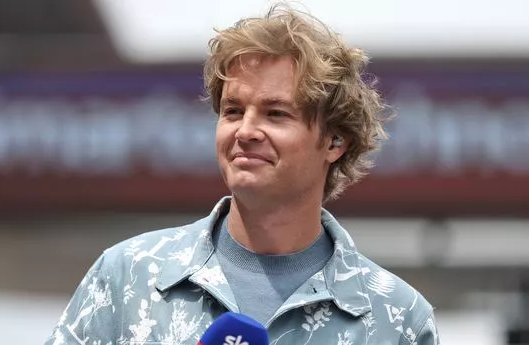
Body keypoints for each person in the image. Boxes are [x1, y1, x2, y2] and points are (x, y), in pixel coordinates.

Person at [45, 4, 440, 345]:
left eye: (276, 114)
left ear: (335, 141)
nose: (246, 131)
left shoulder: (397, 318)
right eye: (233, 111)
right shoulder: (127, 276)